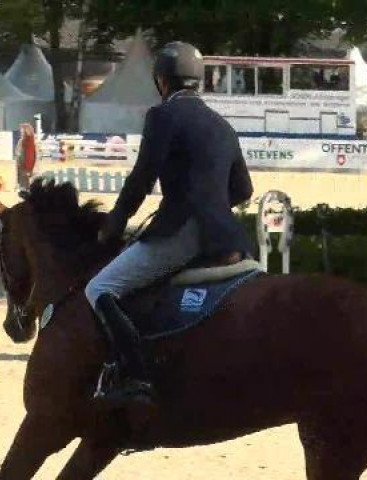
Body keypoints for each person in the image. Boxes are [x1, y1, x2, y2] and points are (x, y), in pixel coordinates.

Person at [84, 41, 254, 407]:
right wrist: (213, 208)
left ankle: (135, 376)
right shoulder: (222, 125)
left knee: (100, 287)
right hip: (230, 237)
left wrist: (115, 223)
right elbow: (243, 189)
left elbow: (142, 178)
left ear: (162, 81)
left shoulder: (162, 116)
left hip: (184, 232)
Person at [15, 123, 37, 192]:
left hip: (26, 167)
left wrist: (29, 169)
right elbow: (18, 153)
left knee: (25, 185)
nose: (21, 132)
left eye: (22, 131)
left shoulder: (29, 143)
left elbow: (31, 156)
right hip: (22, 166)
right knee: (23, 184)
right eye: (21, 131)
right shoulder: (21, 142)